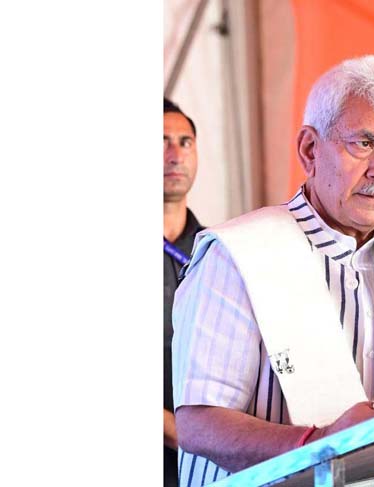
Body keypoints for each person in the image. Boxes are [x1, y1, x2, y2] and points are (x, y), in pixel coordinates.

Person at [172, 55, 374, 487]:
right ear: (310, 150)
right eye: (364, 144)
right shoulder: (237, 255)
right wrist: (320, 445)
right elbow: (199, 425)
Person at [163, 97, 204, 487]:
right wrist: (188, 437)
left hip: (210, 466)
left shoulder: (217, 251)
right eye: (159, 141)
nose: (174, 154)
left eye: (184, 141)